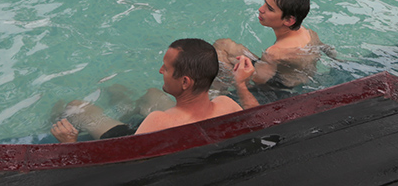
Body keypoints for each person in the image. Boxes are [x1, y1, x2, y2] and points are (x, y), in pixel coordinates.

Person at [50, 38, 256, 143]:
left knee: (74, 107)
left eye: (166, 68)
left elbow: (120, 170)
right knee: (152, 94)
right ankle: (126, 104)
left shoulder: (158, 122)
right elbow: (258, 121)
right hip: (186, 124)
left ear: (185, 82)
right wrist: (240, 84)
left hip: (133, 141)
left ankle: (54, 115)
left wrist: (69, 143)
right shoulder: (227, 105)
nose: (160, 70)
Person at [214, 0, 330, 91]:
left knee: (219, 53)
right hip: (297, 78)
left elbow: (257, 80)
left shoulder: (274, 52)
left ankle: (218, 90)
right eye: (265, 2)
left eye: (269, 8)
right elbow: (326, 49)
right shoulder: (309, 33)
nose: (261, 9)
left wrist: (237, 74)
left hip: (278, 89)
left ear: (289, 20)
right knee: (223, 44)